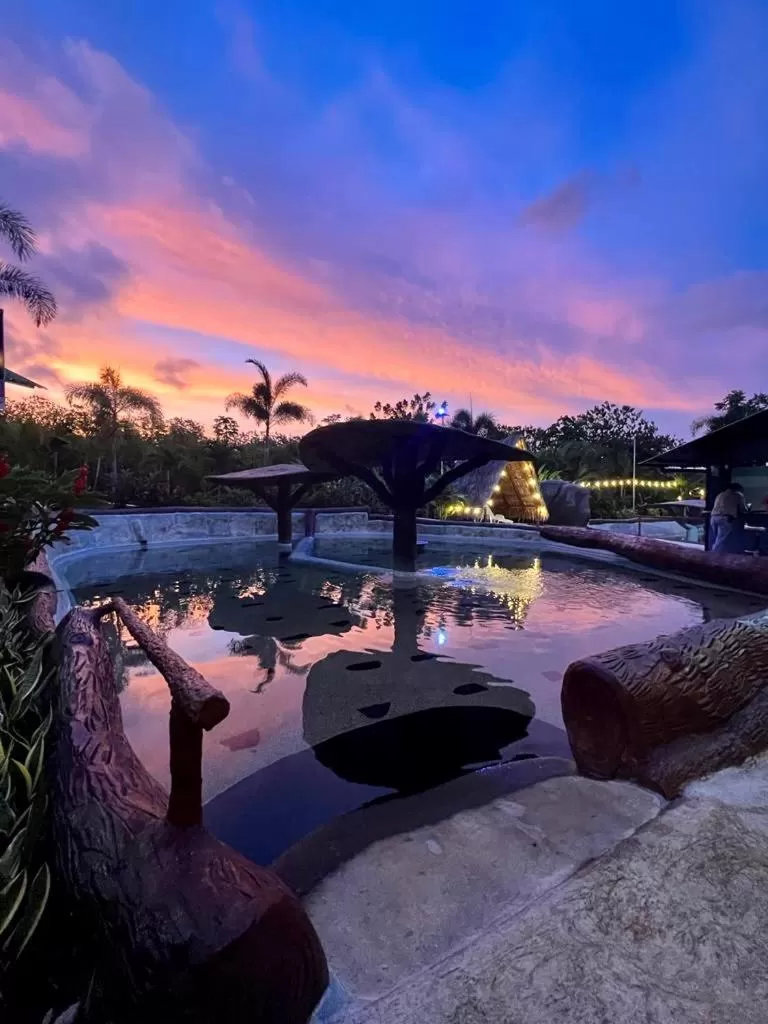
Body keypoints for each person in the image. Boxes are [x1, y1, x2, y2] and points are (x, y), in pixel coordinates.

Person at [710, 483, 747, 553]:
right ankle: (714, 555)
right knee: (720, 540)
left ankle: (716, 554)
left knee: (716, 538)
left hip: (713, 518)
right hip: (725, 518)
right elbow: (743, 509)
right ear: (737, 489)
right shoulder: (738, 495)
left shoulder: (720, 494)